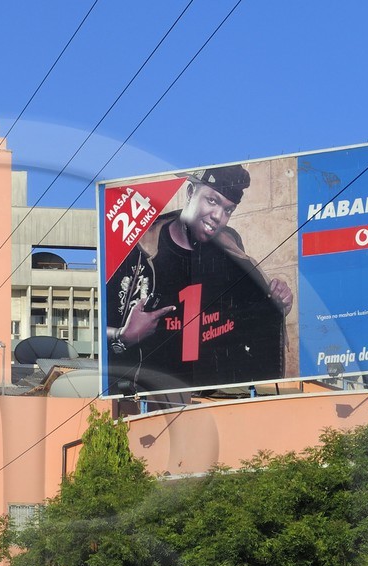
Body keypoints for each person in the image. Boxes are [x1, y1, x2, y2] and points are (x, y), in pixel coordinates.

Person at [105, 164, 293, 399]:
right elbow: (95, 331)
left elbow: (250, 321)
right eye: (212, 201)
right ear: (191, 192)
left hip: (217, 399)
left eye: (228, 210)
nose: (218, 216)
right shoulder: (139, 247)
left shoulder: (231, 251)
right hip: (148, 401)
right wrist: (123, 335)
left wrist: (278, 305)